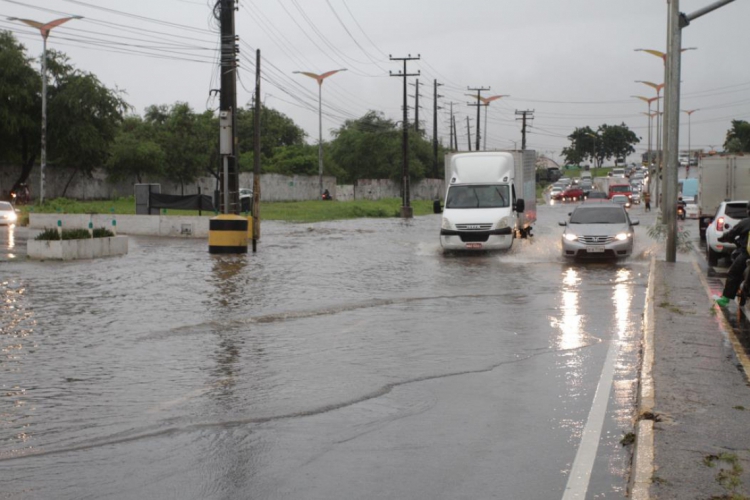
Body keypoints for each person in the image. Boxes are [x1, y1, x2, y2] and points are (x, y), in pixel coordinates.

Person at [714, 202, 750, 307]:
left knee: (733, 274)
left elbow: (731, 234)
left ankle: (725, 299)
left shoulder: (745, 223)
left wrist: (722, 238)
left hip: (746, 254)